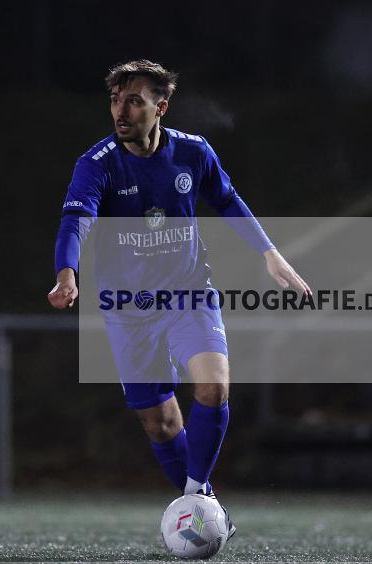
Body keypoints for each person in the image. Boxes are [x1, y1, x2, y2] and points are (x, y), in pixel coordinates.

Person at [47, 60, 311, 536]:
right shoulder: (97, 163)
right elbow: (76, 220)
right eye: (115, 100)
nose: (120, 111)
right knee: (163, 425)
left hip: (189, 294)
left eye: (134, 101)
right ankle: (205, 504)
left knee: (213, 387)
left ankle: (193, 505)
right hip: (127, 308)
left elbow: (227, 200)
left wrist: (269, 253)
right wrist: (67, 273)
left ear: (160, 107)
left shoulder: (193, 153)